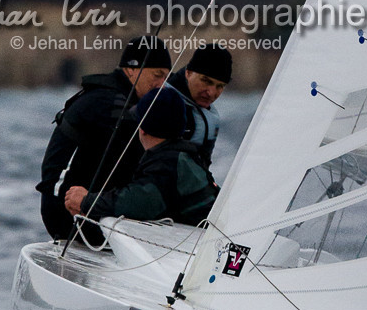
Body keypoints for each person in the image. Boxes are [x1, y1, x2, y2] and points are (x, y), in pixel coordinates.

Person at [36, 37, 172, 239]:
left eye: (166, 78)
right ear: (131, 69)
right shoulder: (112, 103)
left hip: (76, 207)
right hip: (67, 214)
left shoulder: (116, 95)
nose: (161, 84)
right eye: (157, 75)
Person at [63, 88, 217, 228]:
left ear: (142, 129)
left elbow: (140, 202)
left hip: (202, 239)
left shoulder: (168, 162)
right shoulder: (184, 155)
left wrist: (87, 201)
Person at [167, 43, 232, 175]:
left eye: (220, 86)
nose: (211, 92)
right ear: (188, 73)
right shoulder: (161, 104)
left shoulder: (210, 115)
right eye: (206, 81)